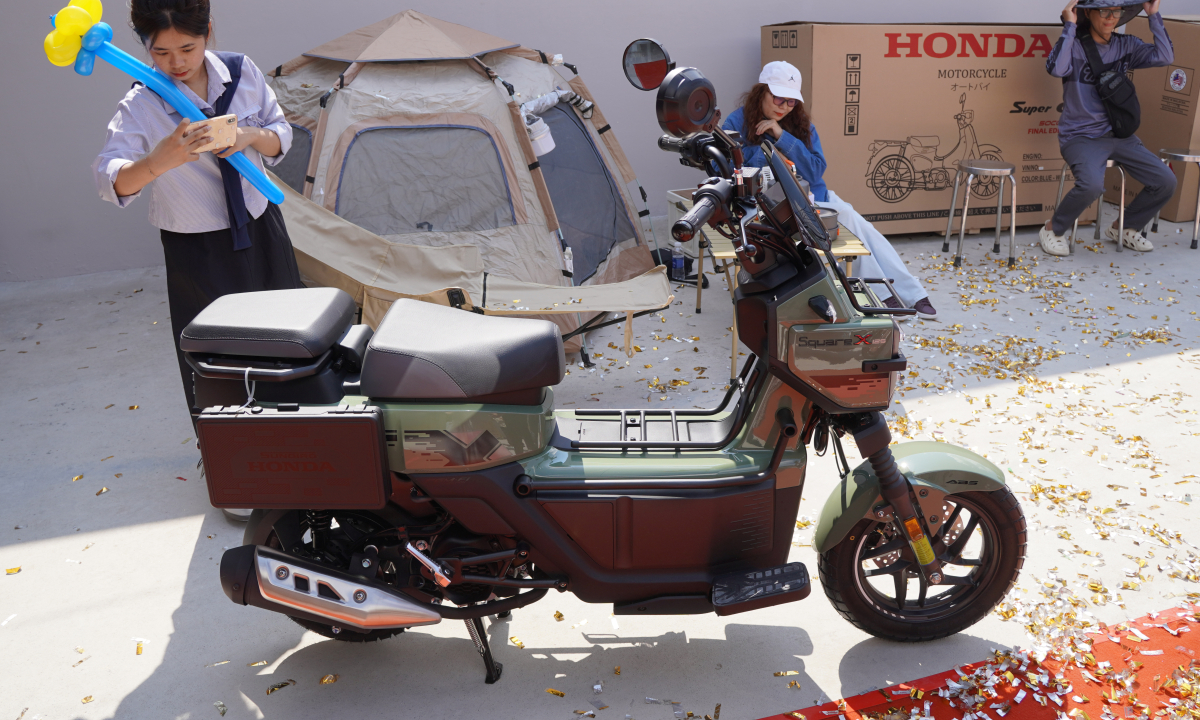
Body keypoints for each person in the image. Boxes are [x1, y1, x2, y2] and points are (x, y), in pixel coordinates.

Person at [92, 0, 302, 419]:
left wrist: (248, 136)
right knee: (216, 364)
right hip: (197, 249)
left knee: (289, 340)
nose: (176, 63)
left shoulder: (241, 71)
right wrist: (158, 161)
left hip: (262, 225)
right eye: (161, 52)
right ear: (144, 45)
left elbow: (281, 133)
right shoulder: (143, 103)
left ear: (207, 31)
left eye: (187, 48)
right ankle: (229, 446)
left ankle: (296, 430)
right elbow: (110, 180)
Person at [723, 61, 938, 320]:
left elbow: (815, 170)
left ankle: (908, 293)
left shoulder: (798, 123)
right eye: (779, 98)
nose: (784, 107)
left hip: (814, 198)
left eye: (791, 101)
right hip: (774, 210)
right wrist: (763, 151)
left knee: (864, 228)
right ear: (761, 92)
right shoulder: (735, 122)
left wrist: (781, 135)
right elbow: (727, 170)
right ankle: (886, 293)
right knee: (849, 218)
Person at [1040, 0, 1175, 255]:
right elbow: (1056, 69)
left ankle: (1124, 227)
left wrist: (1153, 15)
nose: (1111, 17)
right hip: (1080, 136)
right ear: (1088, 13)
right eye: (1103, 11)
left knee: (1165, 180)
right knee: (1091, 186)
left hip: (1119, 135)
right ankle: (1052, 229)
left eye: (1116, 11)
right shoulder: (1074, 44)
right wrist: (1069, 25)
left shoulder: (1126, 45)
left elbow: (1165, 56)